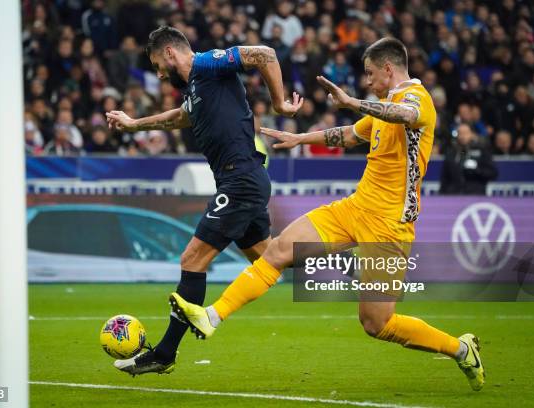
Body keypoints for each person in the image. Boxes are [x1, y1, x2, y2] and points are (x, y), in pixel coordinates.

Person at [171, 37, 485, 392]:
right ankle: (212, 315)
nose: (367, 81)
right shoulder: (383, 103)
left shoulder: (417, 100)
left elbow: (407, 116)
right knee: (278, 251)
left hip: (389, 226)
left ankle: (461, 349)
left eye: (370, 74)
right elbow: (349, 135)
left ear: (388, 68)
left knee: (376, 323)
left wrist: (352, 102)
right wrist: (301, 138)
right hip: (354, 208)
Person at [106, 26, 302, 375]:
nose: (159, 73)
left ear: (169, 53)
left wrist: (279, 103)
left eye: (157, 64)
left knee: (192, 258)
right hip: (243, 179)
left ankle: (164, 354)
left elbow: (264, 55)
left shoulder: (208, 64)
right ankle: (350, 257)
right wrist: (135, 125)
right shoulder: (198, 88)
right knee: (272, 260)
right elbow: (181, 116)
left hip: (240, 180)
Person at [440, 122, 497, 195]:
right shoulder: (451, 153)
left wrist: (477, 170)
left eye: (466, 133)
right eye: (460, 133)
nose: (463, 136)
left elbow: (493, 173)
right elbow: (444, 178)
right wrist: (442, 194)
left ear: (472, 134)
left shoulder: (482, 151)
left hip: (475, 196)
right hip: (454, 196)